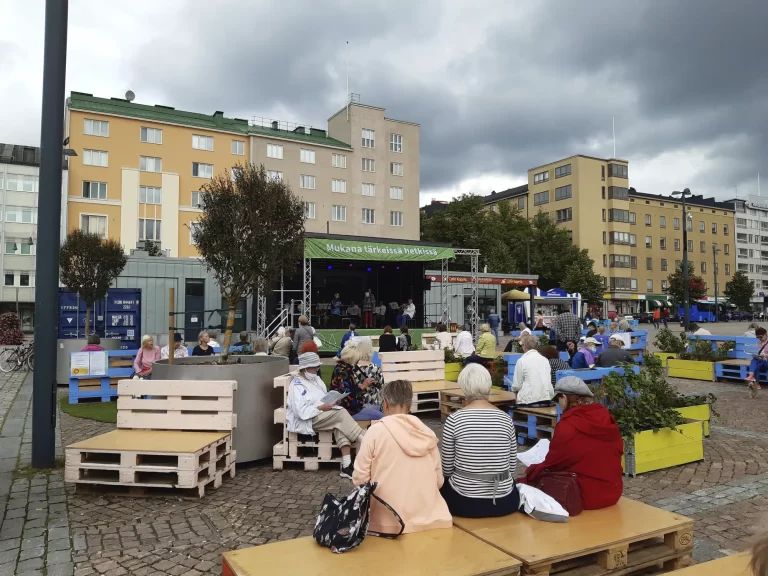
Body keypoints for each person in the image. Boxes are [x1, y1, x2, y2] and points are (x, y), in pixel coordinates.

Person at [353, 379, 452, 533]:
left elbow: (360, 480)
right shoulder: (427, 433)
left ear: (385, 404)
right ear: (410, 405)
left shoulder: (375, 432)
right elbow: (439, 481)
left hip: (387, 523)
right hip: (432, 520)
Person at [518, 376, 623, 510]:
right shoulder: (606, 417)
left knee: (530, 482)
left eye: (558, 399)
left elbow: (554, 462)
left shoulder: (569, 424)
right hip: (613, 491)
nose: (558, 404)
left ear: (564, 397)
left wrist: (532, 470)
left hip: (583, 496)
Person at [440, 364, 520, 517]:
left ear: (463, 387)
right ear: (488, 385)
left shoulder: (454, 420)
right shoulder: (505, 419)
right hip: (505, 501)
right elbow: (511, 468)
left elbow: (447, 470)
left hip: (464, 502)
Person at [287, 352, 366, 478]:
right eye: (314, 367)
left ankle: (346, 466)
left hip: (321, 414)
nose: (317, 369)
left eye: (318, 366)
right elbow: (300, 412)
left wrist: (333, 401)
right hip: (307, 420)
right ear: (305, 368)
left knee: (339, 421)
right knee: (340, 414)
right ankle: (368, 443)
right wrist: (320, 407)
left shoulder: (316, 379)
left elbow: (323, 397)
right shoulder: (296, 385)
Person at [330, 340, 384, 421]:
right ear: (352, 358)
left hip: (353, 406)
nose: (358, 361)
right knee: (382, 416)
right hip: (349, 410)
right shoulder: (342, 371)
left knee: (380, 409)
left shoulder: (344, 368)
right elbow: (347, 395)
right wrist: (363, 386)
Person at [509, 335, 554, 407]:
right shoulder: (545, 360)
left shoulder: (522, 360)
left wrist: (514, 391)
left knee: (516, 413)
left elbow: (517, 385)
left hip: (528, 400)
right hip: (546, 399)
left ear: (524, 346)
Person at [745, 326, 768, 391]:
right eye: (758, 337)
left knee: (755, 362)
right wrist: (758, 355)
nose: (759, 339)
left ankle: (752, 378)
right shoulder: (759, 343)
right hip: (761, 361)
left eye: (760, 337)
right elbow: (759, 353)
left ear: (765, 334)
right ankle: (753, 380)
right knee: (755, 361)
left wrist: (765, 355)